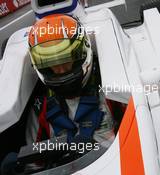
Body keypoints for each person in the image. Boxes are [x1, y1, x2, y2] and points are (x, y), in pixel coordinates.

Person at [1, 14, 115, 174]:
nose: (60, 71)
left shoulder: (110, 88)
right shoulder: (41, 108)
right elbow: (33, 165)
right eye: (52, 64)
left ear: (81, 55)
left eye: (65, 61)